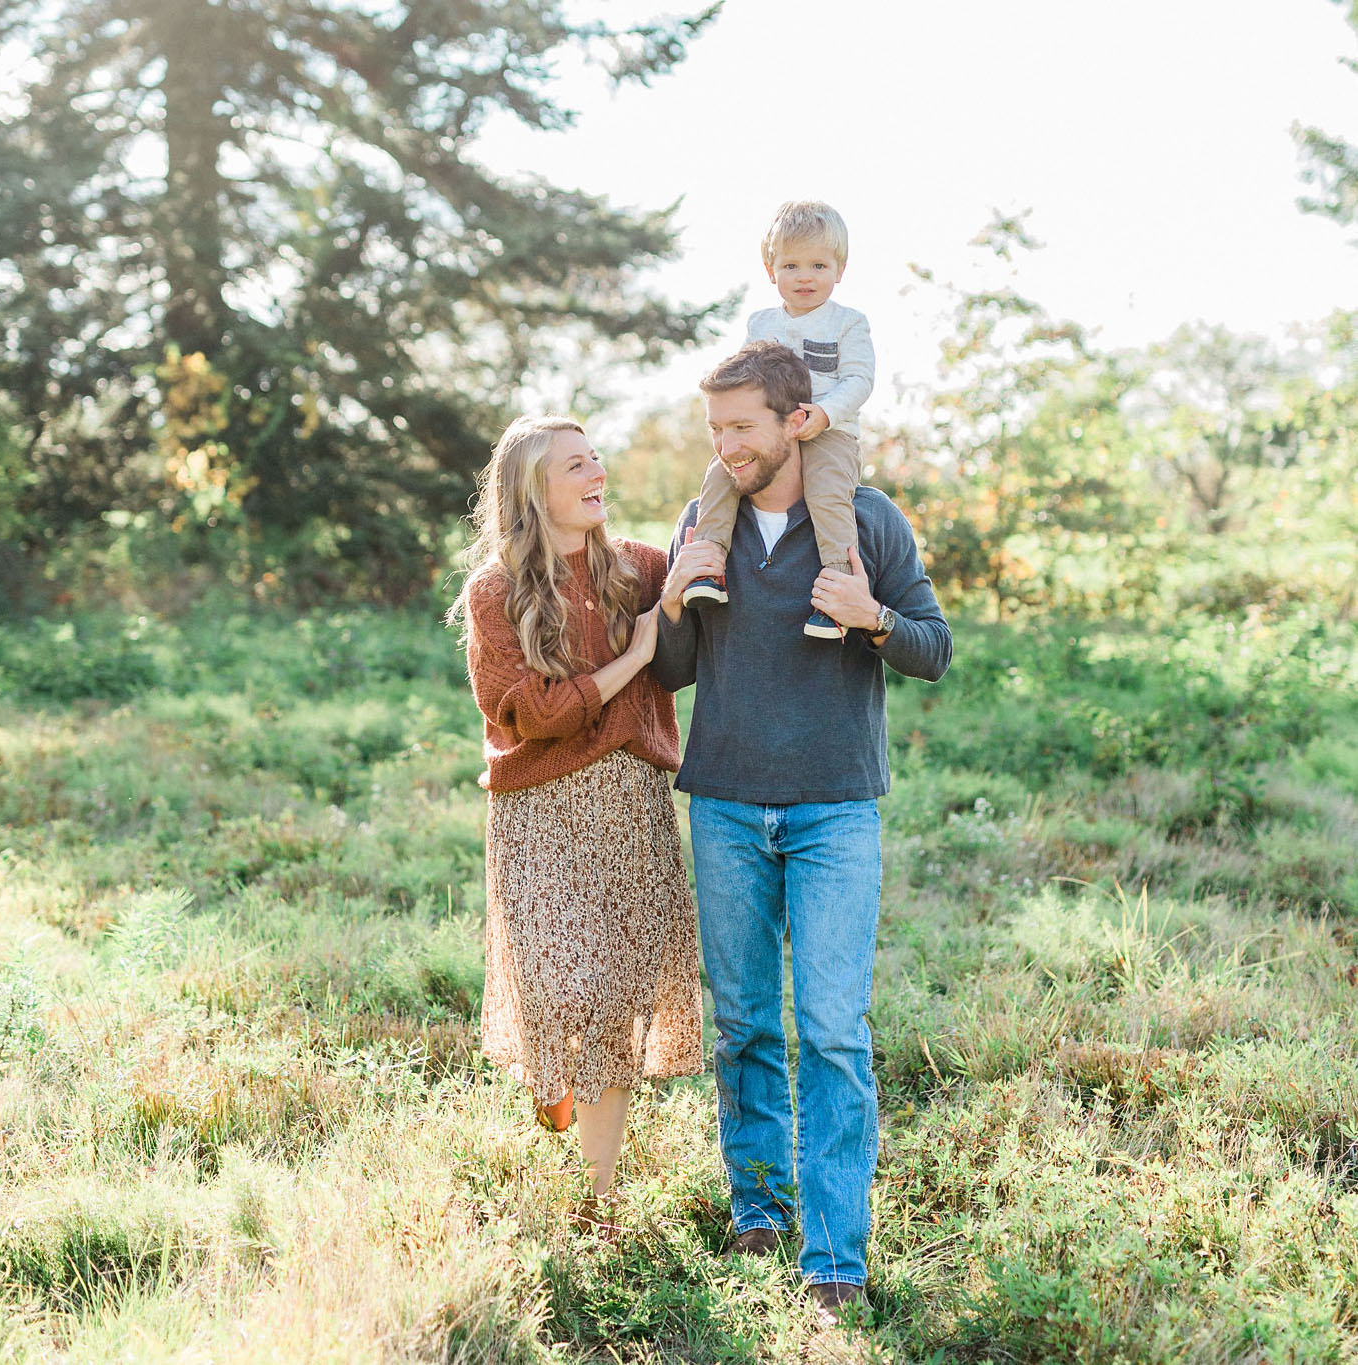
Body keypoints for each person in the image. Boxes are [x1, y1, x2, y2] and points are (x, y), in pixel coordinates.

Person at [652, 343, 952, 1323]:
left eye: (742, 427)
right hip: (727, 805)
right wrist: (672, 599)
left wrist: (870, 617)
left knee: (830, 1032)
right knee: (743, 1025)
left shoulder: (867, 522)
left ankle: (834, 1255)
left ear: (798, 421)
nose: (726, 446)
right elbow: (671, 672)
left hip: (835, 810)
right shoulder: (707, 519)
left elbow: (934, 651)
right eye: (716, 430)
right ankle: (760, 1210)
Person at [455, 414, 702, 1226]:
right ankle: (554, 1078)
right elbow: (532, 712)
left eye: (596, 457)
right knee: (561, 987)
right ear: (534, 490)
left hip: (628, 801)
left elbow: (713, 577)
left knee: (612, 996)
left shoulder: (638, 567)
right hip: (539, 807)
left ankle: (597, 1199)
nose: (596, 470)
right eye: (574, 464)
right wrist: (628, 660)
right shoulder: (495, 592)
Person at [682, 200, 874, 639]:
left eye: (818, 265)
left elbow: (860, 379)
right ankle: (708, 566)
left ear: (839, 269)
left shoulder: (848, 323)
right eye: (790, 265)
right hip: (770, 432)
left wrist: (824, 414)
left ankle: (838, 593)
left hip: (830, 432)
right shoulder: (761, 322)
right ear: (770, 270)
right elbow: (746, 380)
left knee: (827, 494)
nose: (804, 276)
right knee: (721, 474)